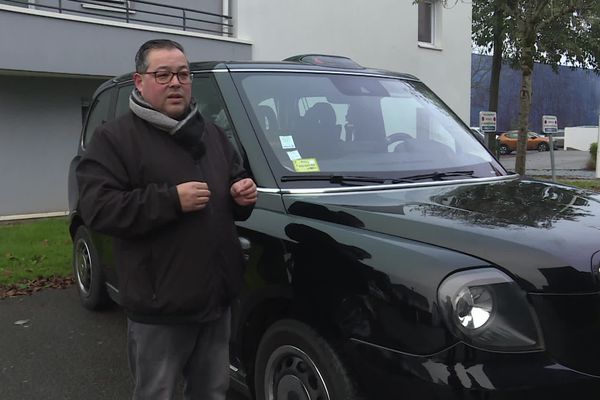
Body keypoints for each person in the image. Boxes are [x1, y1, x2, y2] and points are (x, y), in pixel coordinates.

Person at [76, 39, 257, 400]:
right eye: (163, 74)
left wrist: (241, 195)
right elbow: (98, 208)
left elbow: (234, 181)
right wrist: (171, 200)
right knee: (156, 393)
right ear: (140, 82)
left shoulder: (212, 133)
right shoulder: (114, 138)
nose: (176, 82)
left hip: (215, 300)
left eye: (183, 74)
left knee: (212, 392)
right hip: (160, 307)